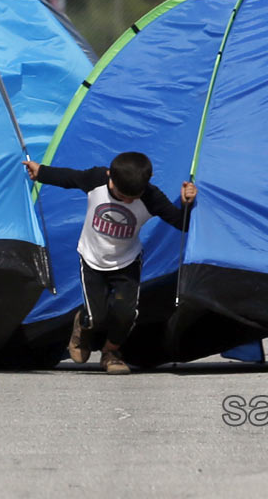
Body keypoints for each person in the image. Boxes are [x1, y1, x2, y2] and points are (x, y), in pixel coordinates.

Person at [23, 152, 197, 375]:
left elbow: (180, 223)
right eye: (122, 195)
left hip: (127, 262)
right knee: (97, 316)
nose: (127, 201)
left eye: (134, 197)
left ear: (149, 179)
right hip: (92, 259)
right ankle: (83, 324)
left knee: (126, 313)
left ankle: (110, 352)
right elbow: (70, 178)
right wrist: (41, 172)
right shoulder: (96, 180)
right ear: (109, 177)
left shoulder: (151, 197)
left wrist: (186, 204)